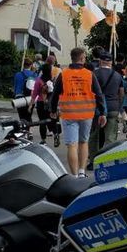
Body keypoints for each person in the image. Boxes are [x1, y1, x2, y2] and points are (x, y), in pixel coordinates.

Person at [50, 47, 107, 177]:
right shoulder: (89, 74)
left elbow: (55, 95)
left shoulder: (63, 74)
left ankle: (74, 175)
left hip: (69, 114)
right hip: (86, 114)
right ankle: (82, 172)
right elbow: (99, 95)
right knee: (83, 142)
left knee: (72, 145)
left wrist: (53, 110)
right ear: (81, 58)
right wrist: (102, 112)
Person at [90, 51, 124, 156]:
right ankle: (108, 158)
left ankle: (93, 159)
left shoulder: (94, 74)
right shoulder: (118, 75)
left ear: (100, 61)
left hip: (97, 108)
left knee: (94, 136)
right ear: (111, 62)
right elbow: (121, 93)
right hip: (113, 106)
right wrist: (119, 107)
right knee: (110, 137)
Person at [31, 69, 58, 146]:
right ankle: (55, 134)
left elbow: (34, 94)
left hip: (40, 103)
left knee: (42, 122)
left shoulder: (38, 81)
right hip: (50, 103)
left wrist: (31, 105)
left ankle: (43, 140)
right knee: (52, 120)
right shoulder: (52, 80)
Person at [13, 57, 38, 128]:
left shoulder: (18, 74)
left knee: (22, 116)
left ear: (23, 64)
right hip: (30, 97)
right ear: (31, 65)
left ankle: (23, 131)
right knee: (28, 115)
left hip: (19, 96)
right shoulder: (34, 75)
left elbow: (15, 86)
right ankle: (28, 131)